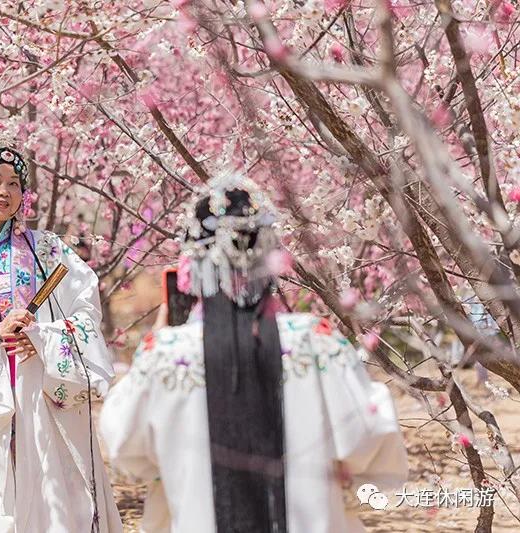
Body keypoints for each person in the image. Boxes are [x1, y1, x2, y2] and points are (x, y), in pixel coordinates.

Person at [99, 174, 408, 533]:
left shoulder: (166, 353)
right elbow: (369, 431)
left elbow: (124, 444)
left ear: (194, 263)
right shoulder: (316, 341)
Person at [0, 147, 121, 532]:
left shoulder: (51, 250)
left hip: (44, 388)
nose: (5, 191)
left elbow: (86, 312)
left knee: (57, 495)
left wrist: (43, 338)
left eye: (14, 183)